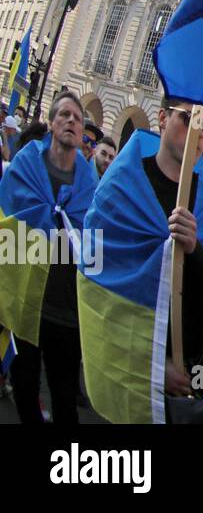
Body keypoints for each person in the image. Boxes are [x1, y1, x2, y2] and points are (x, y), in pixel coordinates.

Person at [77, 100, 203, 423]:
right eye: (188, 119)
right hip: (131, 362)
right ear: (163, 119)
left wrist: (195, 249)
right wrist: (151, 365)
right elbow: (99, 277)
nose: (198, 134)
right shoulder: (121, 187)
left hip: (192, 369)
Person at [0, 91, 96, 424]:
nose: (71, 120)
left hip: (66, 311)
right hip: (27, 303)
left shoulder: (89, 184)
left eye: (77, 118)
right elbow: (8, 223)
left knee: (64, 399)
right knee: (24, 388)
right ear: (52, 125)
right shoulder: (27, 164)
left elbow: (94, 245)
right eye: (64, 115)